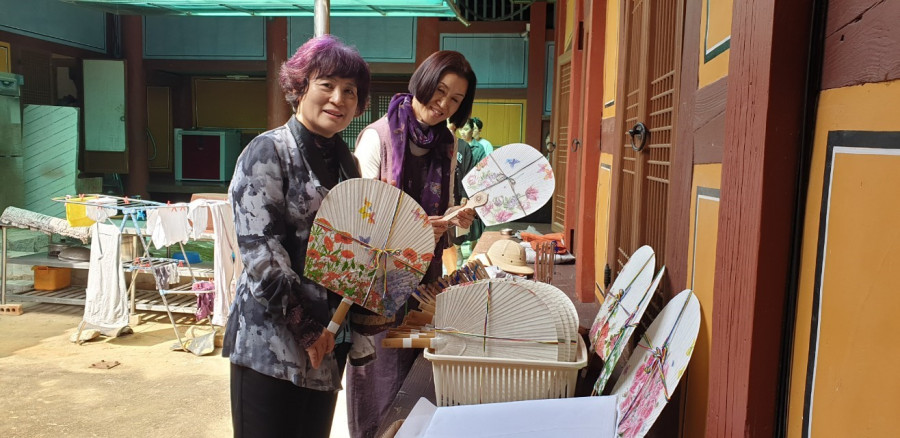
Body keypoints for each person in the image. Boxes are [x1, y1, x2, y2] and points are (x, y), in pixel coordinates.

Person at [224, 35, 370, 438]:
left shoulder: (347, 164)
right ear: (300, 87)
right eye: (327, 85)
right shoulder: (268, 151)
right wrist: (306, 329)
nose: (339, 98)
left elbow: (353, 248)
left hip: (328, 344)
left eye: (350, 91)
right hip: (271, 344)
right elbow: (261, 253)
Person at [349, 50, 478, 438]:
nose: (444, 104)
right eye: (440, 90)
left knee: (416, 377)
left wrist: (456, 217)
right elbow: (358, 222)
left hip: (424, 283)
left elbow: (444, 207)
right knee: (377, 377)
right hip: (377, 283)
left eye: (456, 99)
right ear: (424, 81)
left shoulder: (448, 146)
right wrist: (419, 229)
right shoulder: (377, 138)